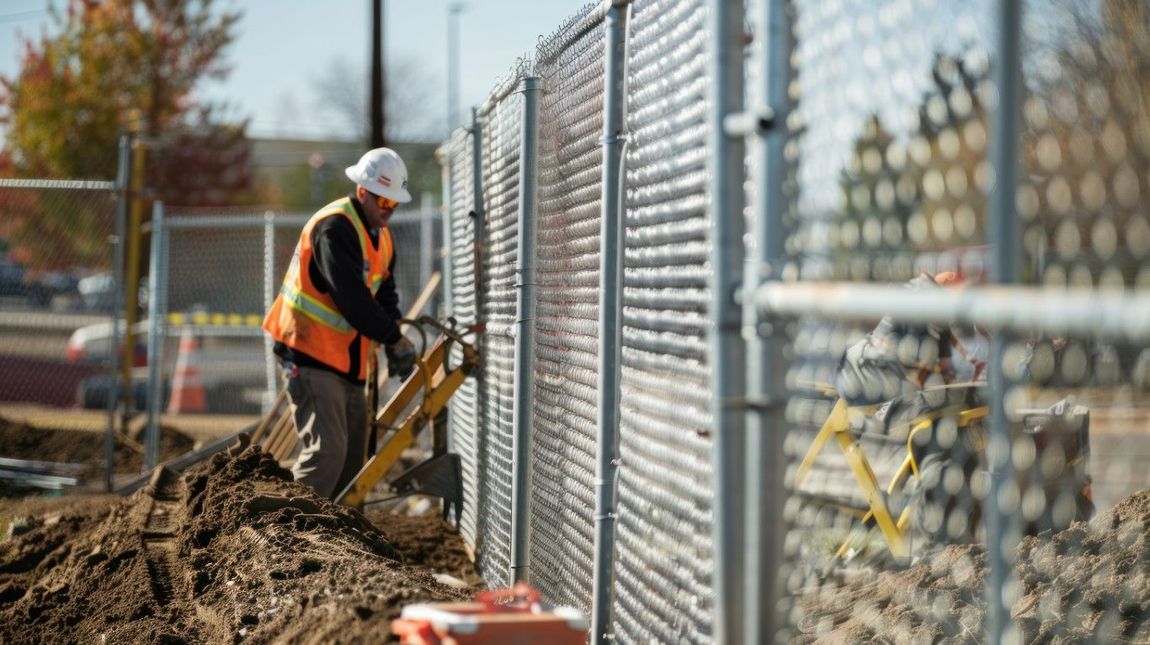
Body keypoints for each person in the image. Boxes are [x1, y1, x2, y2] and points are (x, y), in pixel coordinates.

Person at [263, 147, 418, 499]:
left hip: (346, 362)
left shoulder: (381, 237)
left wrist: (393, 333)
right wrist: (393, 338)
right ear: (363, 192)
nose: (388, 211)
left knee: (353, 463)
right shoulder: (334, 229)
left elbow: (384, 294)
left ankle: (339, 544)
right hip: (309, 353)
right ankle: (290, 536)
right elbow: (352, 298)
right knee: (326, 455)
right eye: (384, 202)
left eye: (395, 205)